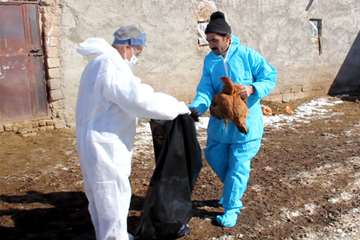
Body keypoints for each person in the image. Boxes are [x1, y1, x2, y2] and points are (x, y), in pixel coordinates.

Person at [75, 25, 190, 240]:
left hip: (91, 139)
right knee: (112, 195)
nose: (136, 56)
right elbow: (138, 98)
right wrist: (177, 107)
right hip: (105, 143)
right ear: (128, 46)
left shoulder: (96, 64)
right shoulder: (111, 65)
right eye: (137, 51)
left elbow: (131, 91)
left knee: (99, 196)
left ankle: (111, 235)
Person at [189, 11, 277, 228]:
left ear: (227, 38)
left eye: (214, 41)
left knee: (238, 166)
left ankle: (231, 207)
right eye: (208, 40)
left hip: (244, 124)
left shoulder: (248, 55)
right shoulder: (210, 60)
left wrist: (253, 88)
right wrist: (198, 106)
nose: (210, 45)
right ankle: (232, 189)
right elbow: (206, 87)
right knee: (213, 155)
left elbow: (270, 76)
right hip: (220, 124)